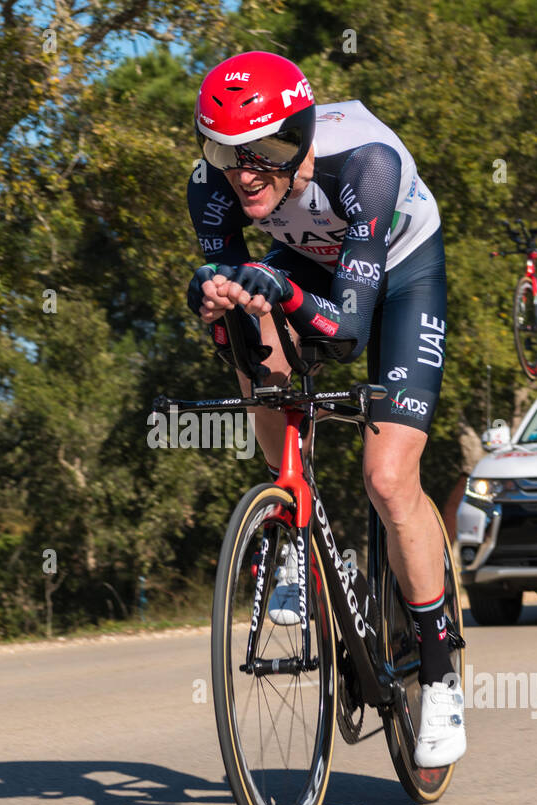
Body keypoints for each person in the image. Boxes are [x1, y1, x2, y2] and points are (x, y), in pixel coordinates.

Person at [185, 51, 463, 767]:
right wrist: (217, 303)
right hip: (308, 266)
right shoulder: (211, 189)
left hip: (398, 273)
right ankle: (289, 521)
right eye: (222, 151)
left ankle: (439, 678)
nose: (242, 173)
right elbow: (229, 315)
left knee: (387, 478)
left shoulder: (364, 167)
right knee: (247, 317)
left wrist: (276, 293)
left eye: (264, 152)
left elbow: (345, 330)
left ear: (301, 136)